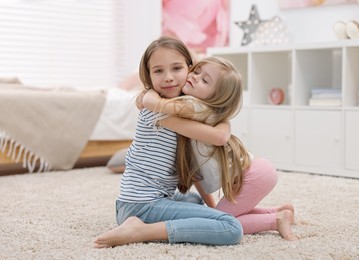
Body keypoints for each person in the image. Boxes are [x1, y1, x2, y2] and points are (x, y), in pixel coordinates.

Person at [93, 36, 243, 248]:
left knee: (195, 202)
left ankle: (140, 224)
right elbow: (219, 136)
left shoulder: (180, 107)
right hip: (141, 205)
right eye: (158, 71)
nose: (169, 78)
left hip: (134, 203)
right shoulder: (161, 112)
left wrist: (213, 208)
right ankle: (140, 231)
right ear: (149, 75)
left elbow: (194, 170)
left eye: (176, 68)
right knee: (231, 227)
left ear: (190, 70)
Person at [142, 56, 297, 240]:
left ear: (215, 97)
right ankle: (276, 211)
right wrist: (213, 208)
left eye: (205, 80)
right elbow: (198, 177)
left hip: (255, 175)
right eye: (197, 71)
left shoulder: (195, 106)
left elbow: (156, 104)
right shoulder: (192, 116)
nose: (195, 77)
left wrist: (148, 92)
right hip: (258, 171)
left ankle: (275, 220)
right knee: (218, 214)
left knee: (218, 223)